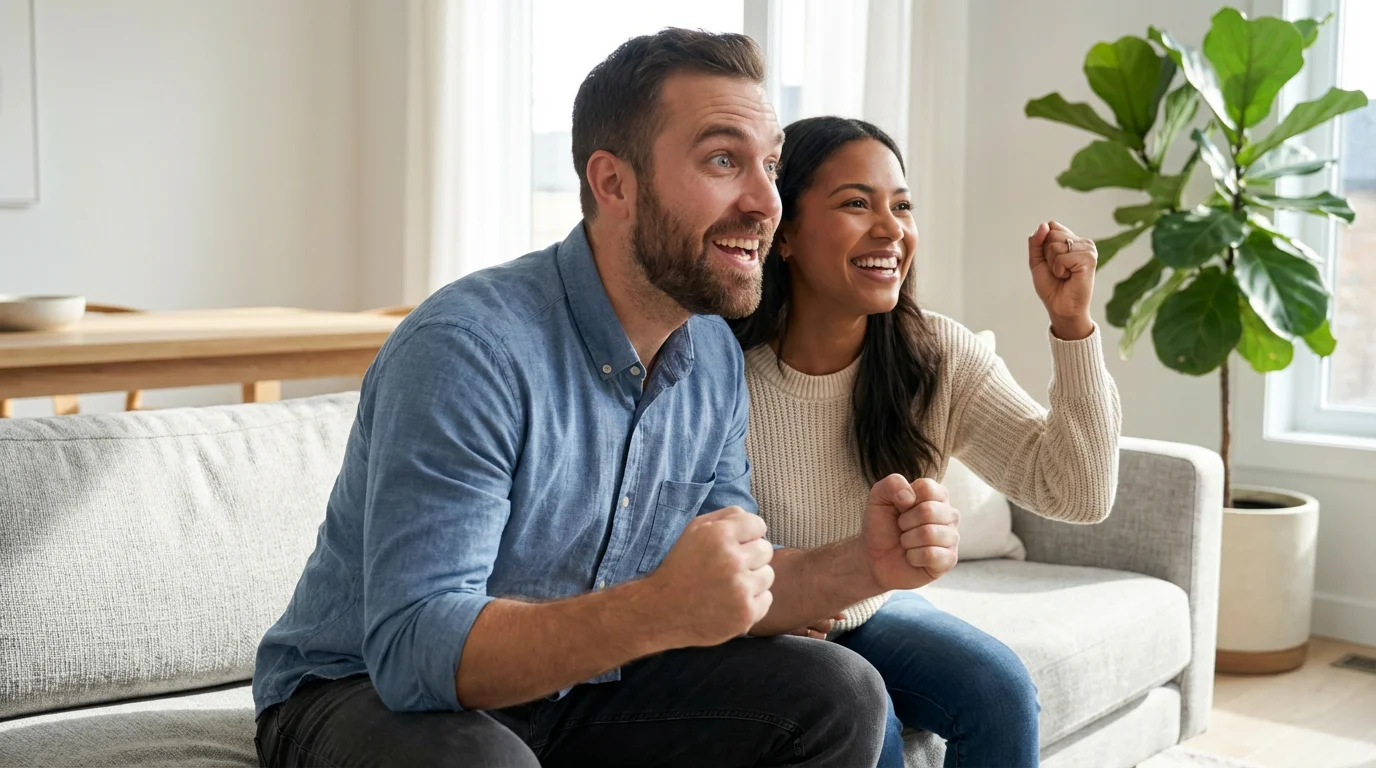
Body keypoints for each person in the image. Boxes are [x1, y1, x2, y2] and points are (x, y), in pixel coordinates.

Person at [251, 31, 963, 768]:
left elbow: (738, 582)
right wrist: (656, 609)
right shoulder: (468, 348)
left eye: (771, 165)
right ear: (612, 183)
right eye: (724, 160)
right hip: (357, 691)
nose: (764, 202)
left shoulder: (712, 352)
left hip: (574, 691)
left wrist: (865, 565)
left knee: (839, 690)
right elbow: (413, 650)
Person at [730, 116, 1122, 768]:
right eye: (857, 203)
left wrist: (1072, 324)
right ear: (786, 232)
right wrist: (772, 600)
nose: (891, 229)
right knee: (868, 722)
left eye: (902, 205)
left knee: (999, 691)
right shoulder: (722, 369)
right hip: (756, 633)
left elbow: (1078, 492)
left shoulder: (935, 355)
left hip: (864, 613)